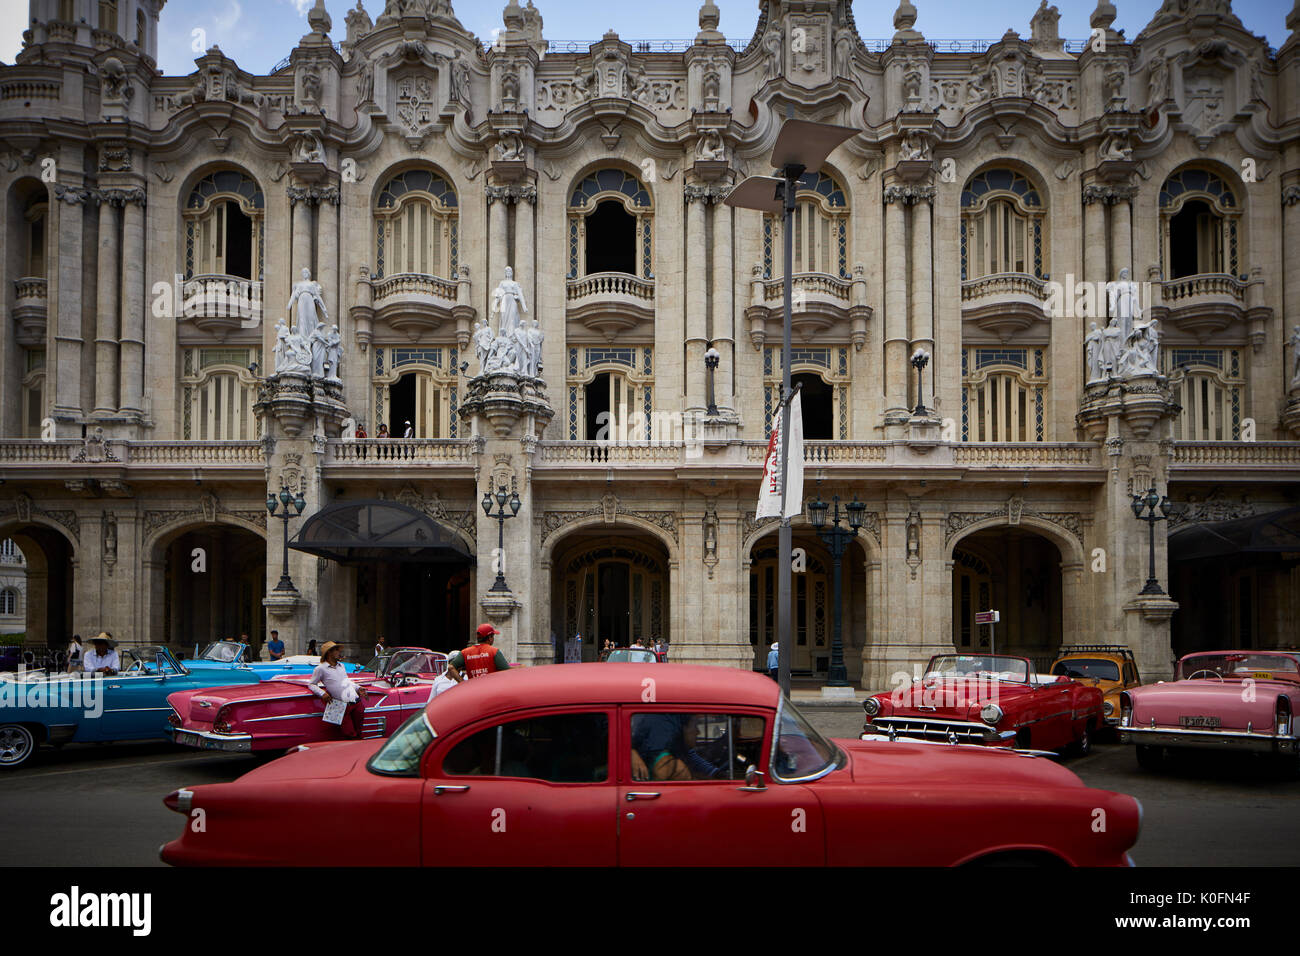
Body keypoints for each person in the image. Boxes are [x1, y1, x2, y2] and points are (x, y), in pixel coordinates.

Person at [308, 641, 366, 738]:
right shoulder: (320, 668)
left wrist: (358, 687)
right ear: (329, 653)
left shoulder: (341, 666)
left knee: (359, 731)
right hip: (340, 704)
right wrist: (322, 693)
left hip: (356, 701)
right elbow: (311, 684)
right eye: (336, 650)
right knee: (349, 733)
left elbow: (346, 681)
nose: (339, 652)